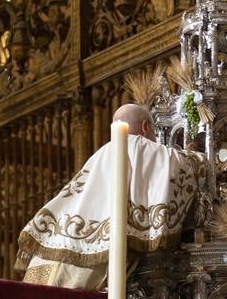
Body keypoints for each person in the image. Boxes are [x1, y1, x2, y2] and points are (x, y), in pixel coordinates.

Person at [15, 103, 204, 289]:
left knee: (45, 294)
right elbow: (185, 166)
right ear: (146, 127)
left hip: (62, 240)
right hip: (101, 251)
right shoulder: (145, 147)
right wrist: (194, 153)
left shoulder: (99, 154)